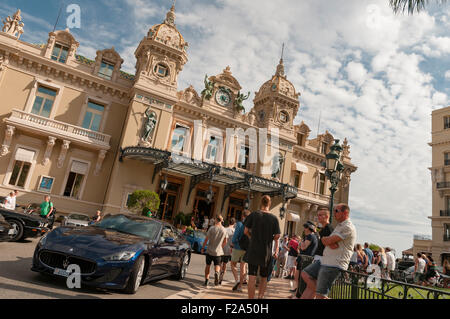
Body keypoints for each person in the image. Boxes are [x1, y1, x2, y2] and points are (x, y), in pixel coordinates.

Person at [303, 203, 356, 299]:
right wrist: (326, 240)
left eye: (336, 211)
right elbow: (327, 241)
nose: (334, 213)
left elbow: (330, 242)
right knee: (308, 277)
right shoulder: (339, 226)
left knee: (320, 295)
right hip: (326, 261)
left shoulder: (347, 227)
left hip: (334, 263)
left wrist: (326, 240)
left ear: (345, 213)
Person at [243, 195, 280, 299]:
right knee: (264, 277)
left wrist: (252, 237)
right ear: (270, 204)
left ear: (261, 203)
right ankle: (260, 297)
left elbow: (245, 231)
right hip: (266, 252)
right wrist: (269, 239)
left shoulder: (254, 215)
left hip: (253, 249)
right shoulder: (274, 218)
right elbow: (277, 236)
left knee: (252, 277)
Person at [301, 208, 334, 299]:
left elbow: (332, 246)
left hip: (323, 259)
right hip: (319, 258)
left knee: (305, 275)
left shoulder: (329, 229)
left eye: (320, 215)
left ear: (327, 216)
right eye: (318, 215)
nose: (318, 217)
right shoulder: (323, 229)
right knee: (309, 287)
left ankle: (322, 295)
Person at [290, 221, 318, 299]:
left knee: (299, 278)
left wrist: (300, 242)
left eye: (306, 227)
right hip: (304, 259)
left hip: (305, 260)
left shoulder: (310, 236)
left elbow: (303, 247)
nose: (304, 229)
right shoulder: (310, 236)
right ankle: (296, 294)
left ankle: (298, 295)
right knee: (297, 277)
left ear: (309, 228)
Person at [201, 215, 228, 287]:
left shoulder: (212, 228)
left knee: (208, 265)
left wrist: (203, 248)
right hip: (218, 252)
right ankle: (216, 272)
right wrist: (221, 247)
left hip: (210, 250)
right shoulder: (224, 230)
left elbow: (206, 239)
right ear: (221, 221)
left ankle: (206, 281)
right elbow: (225, 241)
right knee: (217, 265)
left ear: (216, 220)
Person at [231, 210, 251, 292]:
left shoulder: (239, 224)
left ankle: (237, 280)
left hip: (237, 247)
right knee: (243, 267)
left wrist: (233, 242)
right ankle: (240, 287)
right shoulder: (251, 225)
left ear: (243, 216)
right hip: (246, 248)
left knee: (233, 264)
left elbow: (235, 235)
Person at [219, 217, 235, 284]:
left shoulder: (225, 229)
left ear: (229, 222)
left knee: (220, 262)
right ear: (234, 223)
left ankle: (219, 272)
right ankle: (222, 276)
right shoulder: (234, 231)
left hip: (222, 247)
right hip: (229, 249)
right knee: (225, 263)